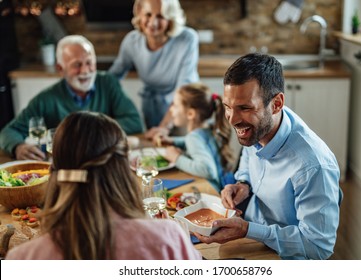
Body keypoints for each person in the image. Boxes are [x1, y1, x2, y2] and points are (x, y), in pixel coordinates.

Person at [194, 53, 343, 260]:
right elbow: (248, 156)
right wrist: (243, 182)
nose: (233, 120)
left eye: (245, 108)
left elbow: (318, 247)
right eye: (228, 107)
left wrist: (248, 230)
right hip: (249, 235)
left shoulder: (313, 165)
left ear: (277, 104)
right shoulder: (258, 125)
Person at [5, 111, 201, 260]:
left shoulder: (22, 258)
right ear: (123, 170)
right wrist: (184, 244)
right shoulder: (167, 239)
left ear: (55, 172)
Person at [0, 35, 143, 161]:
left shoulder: (107, 83)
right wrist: (18, 147)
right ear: (60, 69)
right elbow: (9, 132)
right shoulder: (45, 99)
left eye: (89, 62)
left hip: (105, 163)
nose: (85, 71)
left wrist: (90, 133)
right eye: (77, 65)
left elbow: (134, 122)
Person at [109, 0, 199, 137]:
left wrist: (164, 127)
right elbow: (112, 78)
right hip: (151, 106)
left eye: (160, 16)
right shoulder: (132, 41)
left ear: (170, 18)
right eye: (148, 14)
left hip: (185, 107)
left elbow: (183, 88)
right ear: (139, 13)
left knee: (182, 149)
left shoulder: (187, 39)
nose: (153, 22)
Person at [152, 83, 234, 192]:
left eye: (175, 105)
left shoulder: (193, 138)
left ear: (190, 114)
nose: (171, 109)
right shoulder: (208, 130)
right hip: (221, 188)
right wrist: (173, 141)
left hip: (211, 191)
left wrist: (176, 158)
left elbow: (207, 170)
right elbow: (199, 144)